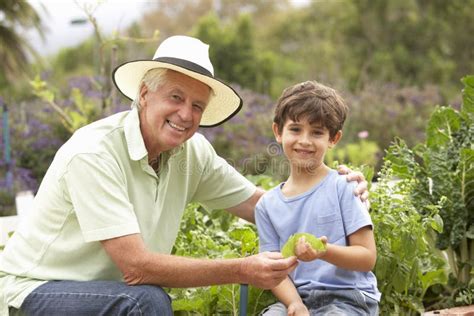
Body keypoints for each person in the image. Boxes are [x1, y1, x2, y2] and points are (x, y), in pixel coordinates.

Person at [0, 36, 368, 315]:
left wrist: (333, 191)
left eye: (197, 106)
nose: (186, 115)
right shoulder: (94, 153)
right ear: (145, 94)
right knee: (147, 302)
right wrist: (242, 269)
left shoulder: (191, 153)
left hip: (109, 294)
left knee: (145, 301)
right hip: (33, 291)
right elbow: (137, 268)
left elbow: (264, 206)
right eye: (175, 98)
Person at [256, 81, 380, 316]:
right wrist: (294, 304)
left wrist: (324, 251)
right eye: (295, 129)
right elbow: (275, 271)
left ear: (333, 139)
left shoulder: (344, 187)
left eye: (317, 132)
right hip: (299, 298)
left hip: (348, 298)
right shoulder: (266, 206)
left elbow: (366, 257)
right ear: (278, 132)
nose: (305, 140)